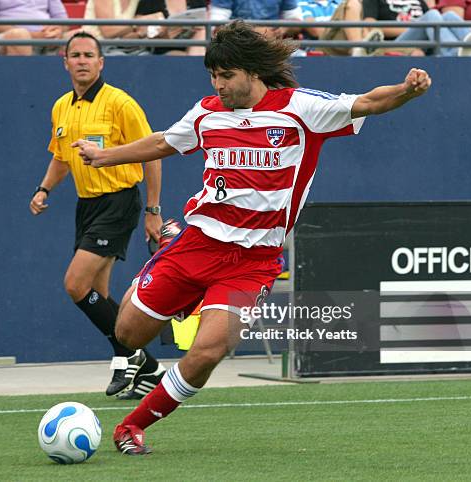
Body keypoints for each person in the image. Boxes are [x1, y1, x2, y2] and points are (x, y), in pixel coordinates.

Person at [73, 20, 431, 455]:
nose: (218, 84)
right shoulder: (207, 112)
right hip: (197, 245)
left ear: (252, 73)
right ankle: (171, 284)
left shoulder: (300, 109)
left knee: (209, 350)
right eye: (213, 76)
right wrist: (106, 156)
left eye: (227, 76)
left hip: (254, 261)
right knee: (128, 334)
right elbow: (166, 142)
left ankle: (132, 426)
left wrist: (407, 90)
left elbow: (368, 102)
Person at [29, 31, 165, 397]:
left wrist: (153, 209)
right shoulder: (62, 106)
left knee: (75, 284)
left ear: (101, 62)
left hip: (119, 201)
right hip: (86, 205)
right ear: (66, 61)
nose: (83, 60)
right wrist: (44, 189)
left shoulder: (120, 103)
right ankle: (149, 369)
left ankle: (129, 355)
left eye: (90, 54)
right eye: (76, 55)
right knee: (98, 294)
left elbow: (152, 152)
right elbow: (62, 156)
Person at [0, 0, 69, 56]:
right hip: (2, 39)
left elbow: (64, 22)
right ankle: (26, 88)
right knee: (19, 35)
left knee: (79, 37)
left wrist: (57, 31)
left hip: (48, 39)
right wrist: (33, 36)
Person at [209, 0, 303, 39]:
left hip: (273, 46)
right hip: (236, 47)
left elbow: (297, 22)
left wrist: (284, 28)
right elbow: (216, 28)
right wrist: (252, 31)